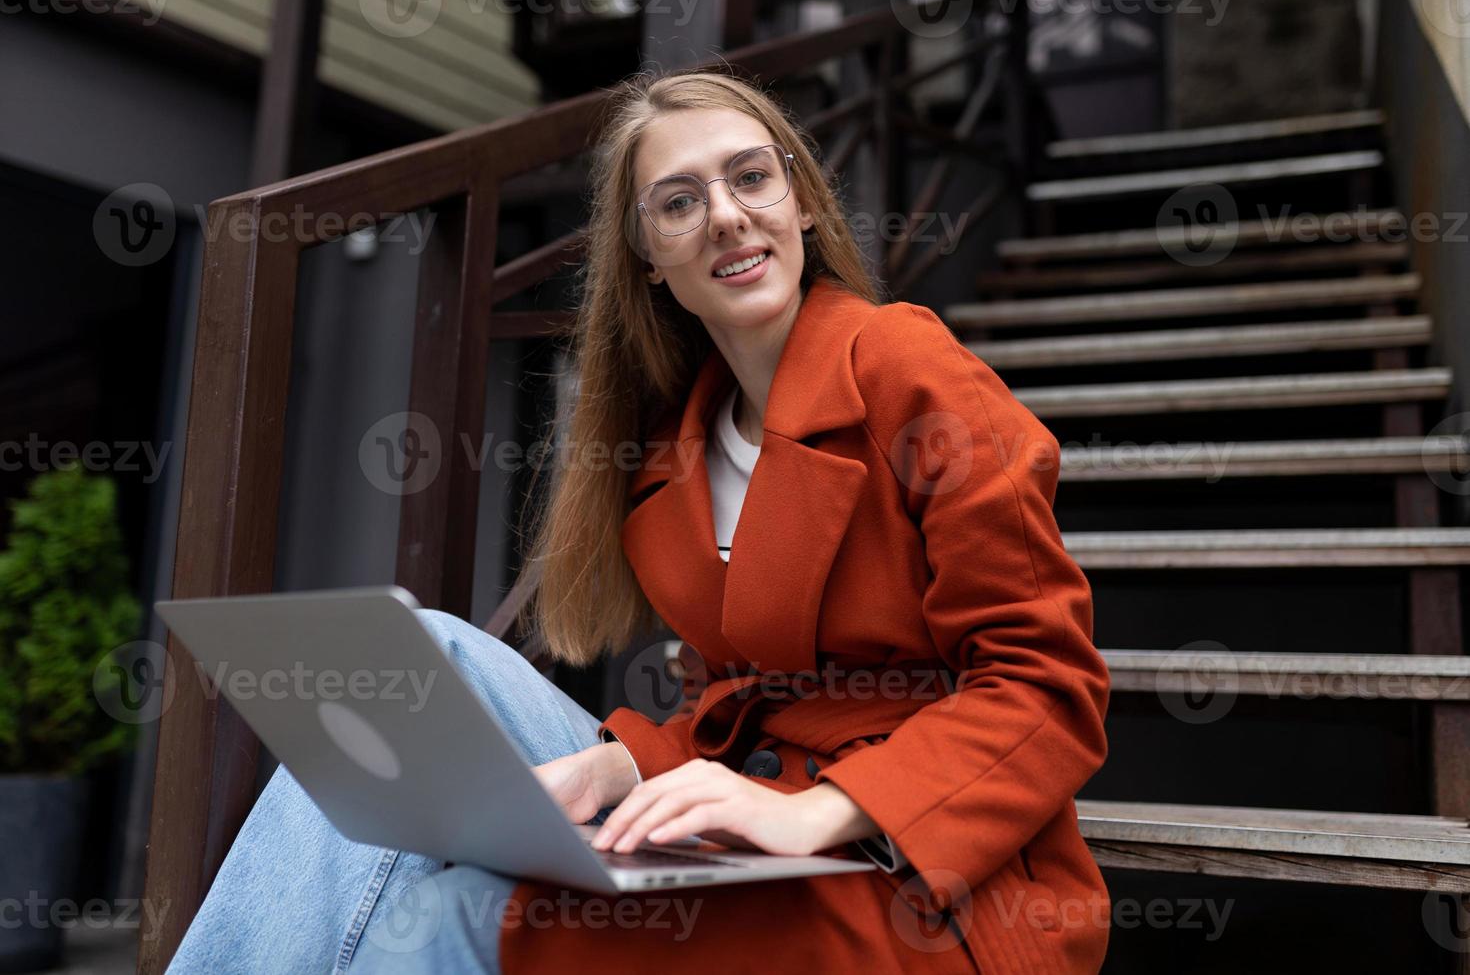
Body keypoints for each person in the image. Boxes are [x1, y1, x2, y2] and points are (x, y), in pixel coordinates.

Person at [165, 69, 1113, 975]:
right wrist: (619, 765)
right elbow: (743, 704)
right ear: (650, 259)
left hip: (929, 873)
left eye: (752, 177)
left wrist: (821, 811)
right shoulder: (676, 446)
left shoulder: (904, 365)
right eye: (679, 201)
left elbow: (1045, 688)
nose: (728, 216)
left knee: (447, 916)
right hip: (761, 813)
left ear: (805, 203)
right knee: (410, 664)